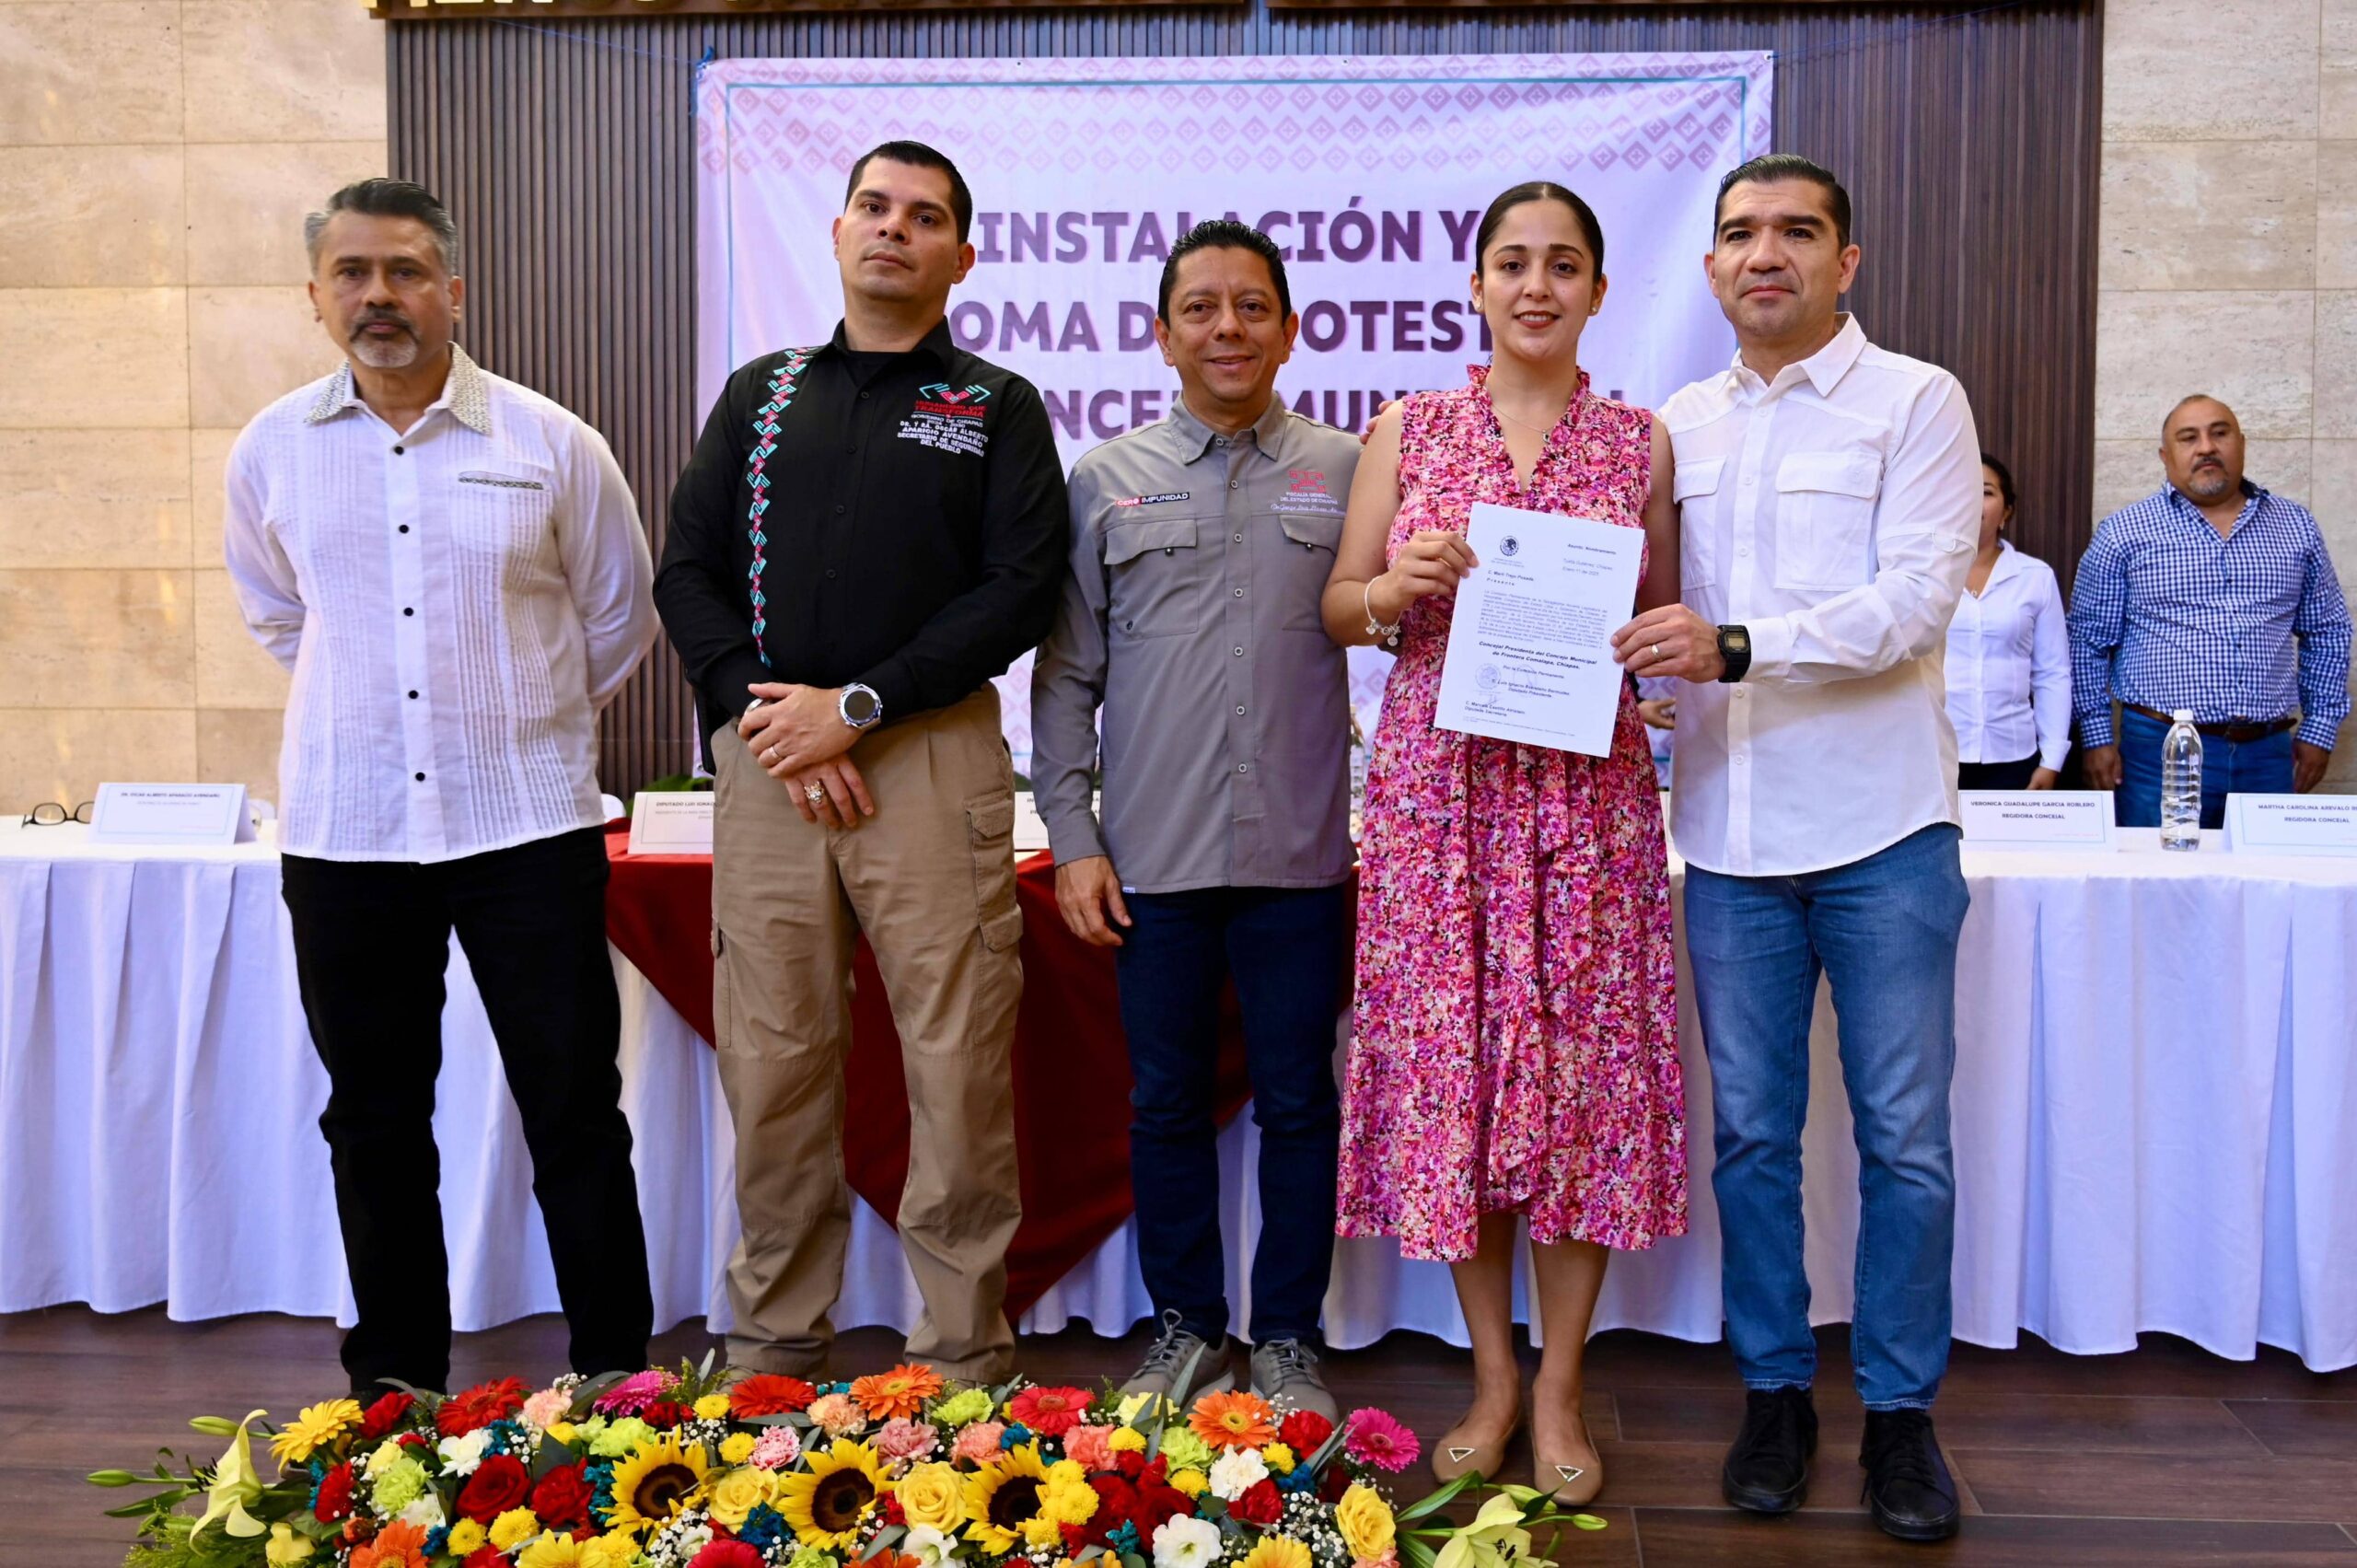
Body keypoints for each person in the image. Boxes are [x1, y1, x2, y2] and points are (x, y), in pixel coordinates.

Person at [223, 178, 656, 1397]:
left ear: (453, 290)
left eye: (405, 270)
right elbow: (278, 613)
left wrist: (516, 716)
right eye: (352, 273)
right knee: (373, 1117)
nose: (379, 295)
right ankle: (398, 1384)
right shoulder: (271, 450)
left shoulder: (550, 441)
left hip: (527, 824)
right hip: (348, 830)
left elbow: (615, 618)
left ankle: (618, 1375)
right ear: (316, 297)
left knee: (573, 1111)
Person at [655, 141, 1067, 1383]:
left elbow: (1019, 589)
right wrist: (772, 717)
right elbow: (688, 570)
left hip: (932, 759)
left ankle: (960, 1359)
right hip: (772, 757)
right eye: (875, 208)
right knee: (775, 1058)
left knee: (955, 1063)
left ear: (963, 255)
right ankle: (771, 1347)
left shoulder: (993, 404)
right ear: (838, 233)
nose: (895, 229)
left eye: (925, 216)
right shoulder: (761, 395)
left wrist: (866, 706)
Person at [1610, 154, 1980, 1542]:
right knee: (1754, 1138)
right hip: (1728, 834)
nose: (1766, 254)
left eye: (1796, 232)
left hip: (1885, 830)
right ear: (1708, 267)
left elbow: (1912, 602)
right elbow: (1639, 597)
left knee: (1907, 1142)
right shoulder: (1675, 427)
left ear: (1847, 259)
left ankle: (1899, 1413)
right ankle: (1775, 1392)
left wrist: (1733, 646)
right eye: (1740, 234)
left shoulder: (1915, 400)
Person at [1325, 182, 1686, 1504]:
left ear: (1598, 288)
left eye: (1564, 264)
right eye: (1512, 263)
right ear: (1474, 285)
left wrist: (1657, 649)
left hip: (1588, 809)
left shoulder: (1639, 442)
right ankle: (1488, 1372)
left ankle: (1562, 1379)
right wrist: (1391, 588)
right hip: (1441, 807)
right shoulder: (1408, 428)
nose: (1536, 284)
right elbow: (1339, 604)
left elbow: (1663, 617)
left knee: (1582, 1091)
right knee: (1458, 1087)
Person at [1031, 220, 1361, 1422]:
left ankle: (1286, 1333)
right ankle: (1185, 1325)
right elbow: (1067, 676)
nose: (1229, 327)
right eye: (1203, 308)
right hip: (1153, 859)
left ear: (1290, 324)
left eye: (1252, 306)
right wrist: (1073, 835)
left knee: (1299, 1102)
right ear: (1162, 331)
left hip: (1301, 853)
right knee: (1163, 1101)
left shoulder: (1349, 464)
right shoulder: (1107, 477)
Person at [2069, 395, 2351, 825]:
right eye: (2189, 438)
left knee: (2266, 885)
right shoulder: (2124, 533)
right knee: (2160, 882)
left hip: (2269, 753)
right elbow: (2087, 641)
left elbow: (2327, 629)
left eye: (2219, 433)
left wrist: (2320, 729)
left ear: (2242, 443)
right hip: (2158, 752)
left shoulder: (2296, 526)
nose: (2206, 447)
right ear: (2166, 457)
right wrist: (2096, 736)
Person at [1947, 454, 2070, 790]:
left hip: (2014, 756)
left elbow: (2052, 672)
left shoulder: (2035, 577)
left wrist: (2052, 758)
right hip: (1935, 753)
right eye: (1963, 488)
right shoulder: (1925, 574)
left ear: (2007, 511)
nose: (1973, 499)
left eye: (1986, 492)